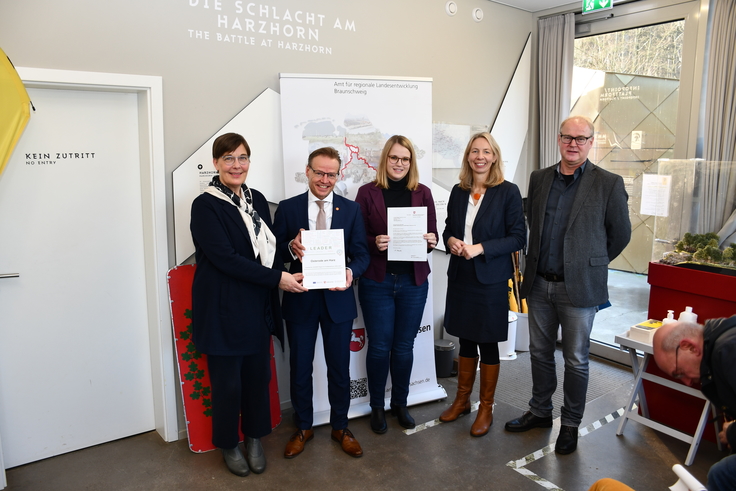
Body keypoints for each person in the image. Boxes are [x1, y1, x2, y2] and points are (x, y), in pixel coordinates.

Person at [504, 116, 631, 454]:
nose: (573, 143)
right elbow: (534, 224)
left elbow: (621, 234)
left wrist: (591, 261)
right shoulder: (540, 178)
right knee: (540, 354)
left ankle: (571, 423)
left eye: (581, 138)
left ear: (591, 142)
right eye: (567, 137)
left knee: (576, 359)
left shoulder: (608, 183)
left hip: (580, 289)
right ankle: (540, 411)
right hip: (540, 283)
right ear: (558, 140)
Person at [190, 133, 306, 477]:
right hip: (224, 309)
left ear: (249, 162)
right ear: (216, 164)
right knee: (227, 385)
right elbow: (226, 259)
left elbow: (264, 250)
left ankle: (254, 438)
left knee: (257, 379)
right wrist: (278, 280)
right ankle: (228, 443)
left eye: (242, 158)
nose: (236, 165)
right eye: (228, 159)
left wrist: (290, 250)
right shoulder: (205, 205)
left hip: (257, 307)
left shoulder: (256, 198)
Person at [273, 147, 370, 459]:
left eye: (331, 174)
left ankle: (340, 426)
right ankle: (303, 426)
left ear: (338, 175)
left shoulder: (351, 210)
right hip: (300, 300)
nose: (325, 179)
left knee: (339, 369)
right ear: (308, 172)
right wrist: (290, 246)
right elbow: (273, 256)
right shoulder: (287, 209)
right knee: (300, 368)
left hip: (337, 300)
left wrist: (350, 272)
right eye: (319, 173)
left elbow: (362, 255)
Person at [438, 132, 526, 437]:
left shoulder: (508, 192)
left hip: (489, 278)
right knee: (465, 338)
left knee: (488, 342)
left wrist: (480, 248)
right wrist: (450, 240)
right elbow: (449, 227)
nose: (480, 156)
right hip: (461, 276)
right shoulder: (458, 191)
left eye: (486, 151)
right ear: (467, 156)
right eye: (474, 151)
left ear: (494, 156)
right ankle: (462, 400)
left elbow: (518, 237)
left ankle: (485, 406)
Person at [354, 135, 438, 434]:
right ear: (385, 160)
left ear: (411, 162)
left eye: (405, 159)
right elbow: (356, 239)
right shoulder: (366, 193)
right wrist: (373, 242)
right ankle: (377, 406)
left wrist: (432, 240)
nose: (399, 163)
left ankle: (400, 404)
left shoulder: (423, 193)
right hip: (377, 281)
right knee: (378, 347)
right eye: (394, 158)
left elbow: (432, 236)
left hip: (413, 282)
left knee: (404, 346)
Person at [653, 316, 736, 491]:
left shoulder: (729, 351)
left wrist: (733, 432)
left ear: (689, 347)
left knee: (722, 475)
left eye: (679, 372)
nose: (687, 382)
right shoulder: (723, 343)